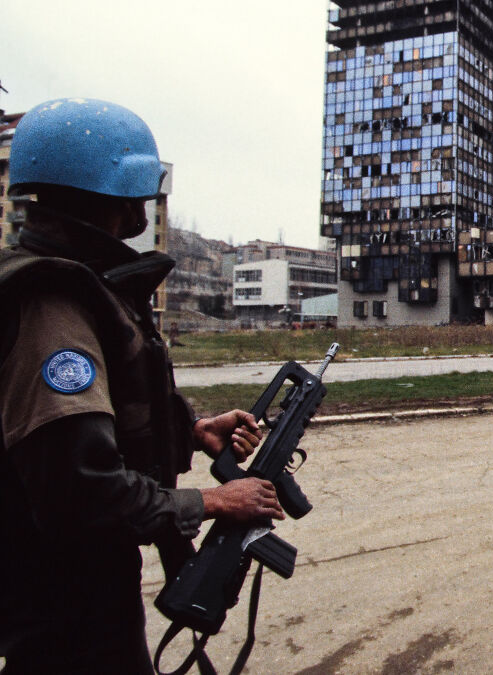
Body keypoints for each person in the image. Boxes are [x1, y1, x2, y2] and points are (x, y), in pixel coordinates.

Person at [0, 98, 284, 674]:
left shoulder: (77, 287)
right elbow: (79, 487)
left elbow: (103, 419)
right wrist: (210, 500)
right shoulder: (52, 306)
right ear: (117, 198)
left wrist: (190, 430)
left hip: (70, 586)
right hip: (61, 597)